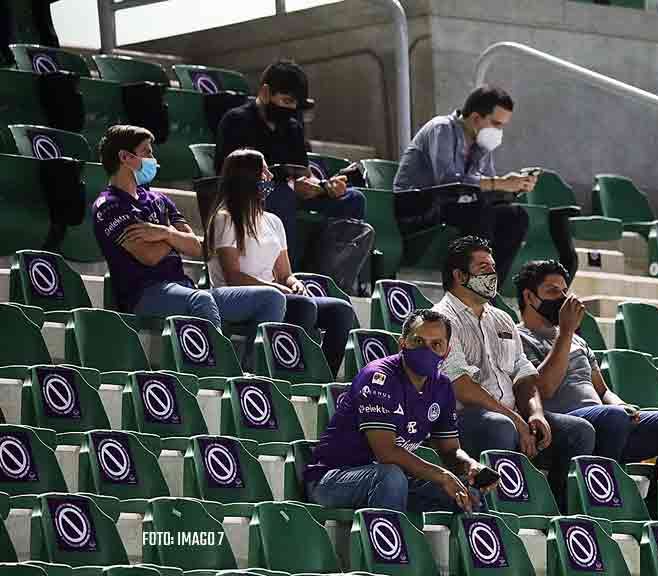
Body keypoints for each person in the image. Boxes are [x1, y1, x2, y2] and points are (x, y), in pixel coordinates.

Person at [432, 236, 594, 512]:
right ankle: (500, 514)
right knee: (500, 426)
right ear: (459, 275)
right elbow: (460, 386)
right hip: (459, 420)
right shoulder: (439, 319)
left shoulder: (502, 318)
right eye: (484, 268)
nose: (493, 274)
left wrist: (535, 414)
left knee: (578, 431)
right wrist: (516, 419)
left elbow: (524, 375)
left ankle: (561, 513)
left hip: (509, 415)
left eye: (493, 267)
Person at [515, 260, 658, 483]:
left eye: (565, 291)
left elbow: (602, 390)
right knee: (614, 418)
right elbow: (544, 388)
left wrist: (619, 404)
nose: (563, 298)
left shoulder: (578, 341)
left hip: (609, 423)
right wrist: (565, 333)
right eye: (553, 291)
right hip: (566, 425)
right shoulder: (519, 338)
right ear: (529, 297)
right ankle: (602, 496)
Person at [92, 125, 285, 330]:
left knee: (273, 298)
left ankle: (251, 362)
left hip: (185, 289)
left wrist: (164, 232)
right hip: (144, 294)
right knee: (201, 301)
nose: (153, 159)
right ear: (125, 157)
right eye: (147, 152)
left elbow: (199, 249)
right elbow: (149, 256)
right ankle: (220, 362)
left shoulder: (159, 199)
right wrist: (175, 238)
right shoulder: (109, 205)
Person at [304, 309, 492, 515]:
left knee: (467, 493)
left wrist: (470, 465)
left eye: (436, 344)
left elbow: (449, 451)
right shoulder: (378, 377)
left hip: (392, 482)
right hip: (333, 480)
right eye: (418, 341)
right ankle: (390, 546)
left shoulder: (442, 386)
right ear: (402, 343)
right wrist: (443, 476)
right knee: (391, 476)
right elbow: (386, 453)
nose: (427, 350)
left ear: (447, 351)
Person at [214, 60, 373, 292]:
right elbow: (227, 172)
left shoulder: (292, 127)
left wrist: (324, 187)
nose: (290, 109)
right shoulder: (236, 120)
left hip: (289, 190)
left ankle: (329, 275)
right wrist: (286, 185)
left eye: (294, 104)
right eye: (286, 101)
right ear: (266, 92)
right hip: (251, 194)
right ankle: (288, 272)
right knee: (282, 195)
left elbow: (302, 173)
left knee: (354, 199)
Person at [205, 148, 356, 378]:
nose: (270, 177)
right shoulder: (225, 218)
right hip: (233, 294)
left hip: (272, 294)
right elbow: (233, 276)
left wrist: (293, 282)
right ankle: (284, 374)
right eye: (264, 172)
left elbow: (285, 272)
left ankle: (322, 377)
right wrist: (275, 287)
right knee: (302, 306)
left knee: (340, 310)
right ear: (246, 177)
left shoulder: (273, 221)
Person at [394, 85, 550, 285]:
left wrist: (512, 186)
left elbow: (485, 188)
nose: (499, 131)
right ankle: (470, 284)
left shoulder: (482, 143)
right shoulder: (441, 128)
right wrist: (499, 183)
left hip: (457, 206)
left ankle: (489, 287)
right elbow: (448, 181)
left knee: (515, 216)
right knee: (479, 211)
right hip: (418, 205)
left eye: (502, 125)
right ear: (476, 118)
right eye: (495, 123)